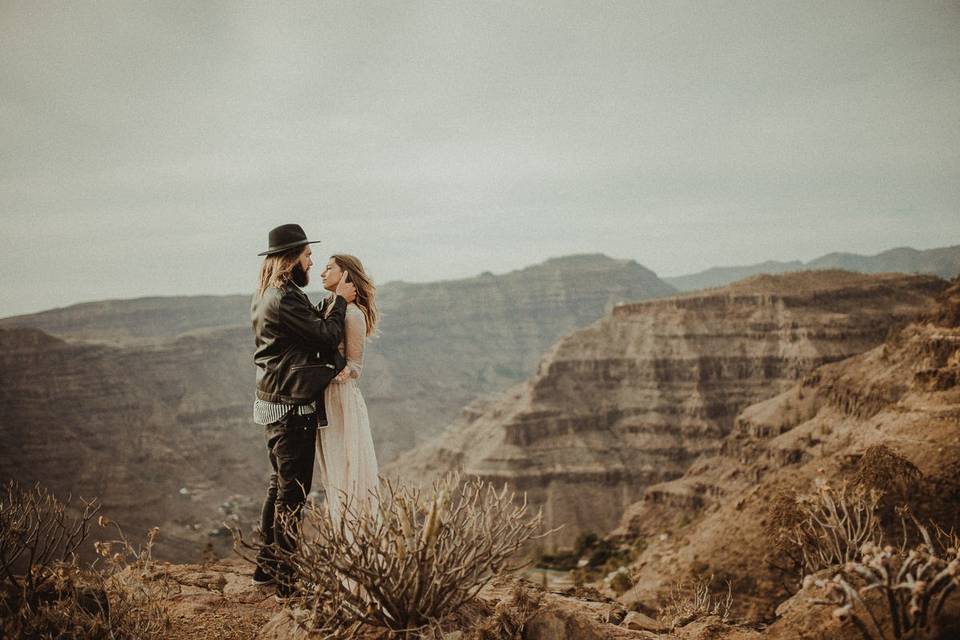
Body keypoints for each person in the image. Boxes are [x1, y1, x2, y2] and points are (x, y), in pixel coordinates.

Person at [249, 224, 356, 597]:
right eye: (307, 256)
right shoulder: (285, 298)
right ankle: (285, 579)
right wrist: (340, 300)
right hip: (292, 405)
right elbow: (325, 336)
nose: (311, 263)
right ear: (292, 258)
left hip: (275, 400)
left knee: (279, 485)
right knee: (292, 492)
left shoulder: (267, 295)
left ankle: (268, 568)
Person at [316, 254, 380, 525]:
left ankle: (354, 534)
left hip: (340, 398)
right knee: (332, 465)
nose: (321, 273)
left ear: (345, 275)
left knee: (346, 463)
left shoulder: (352, 314)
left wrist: (338, 373)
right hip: (325, 396)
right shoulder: (330, 308)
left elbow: (355, 365)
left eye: (329, 268)